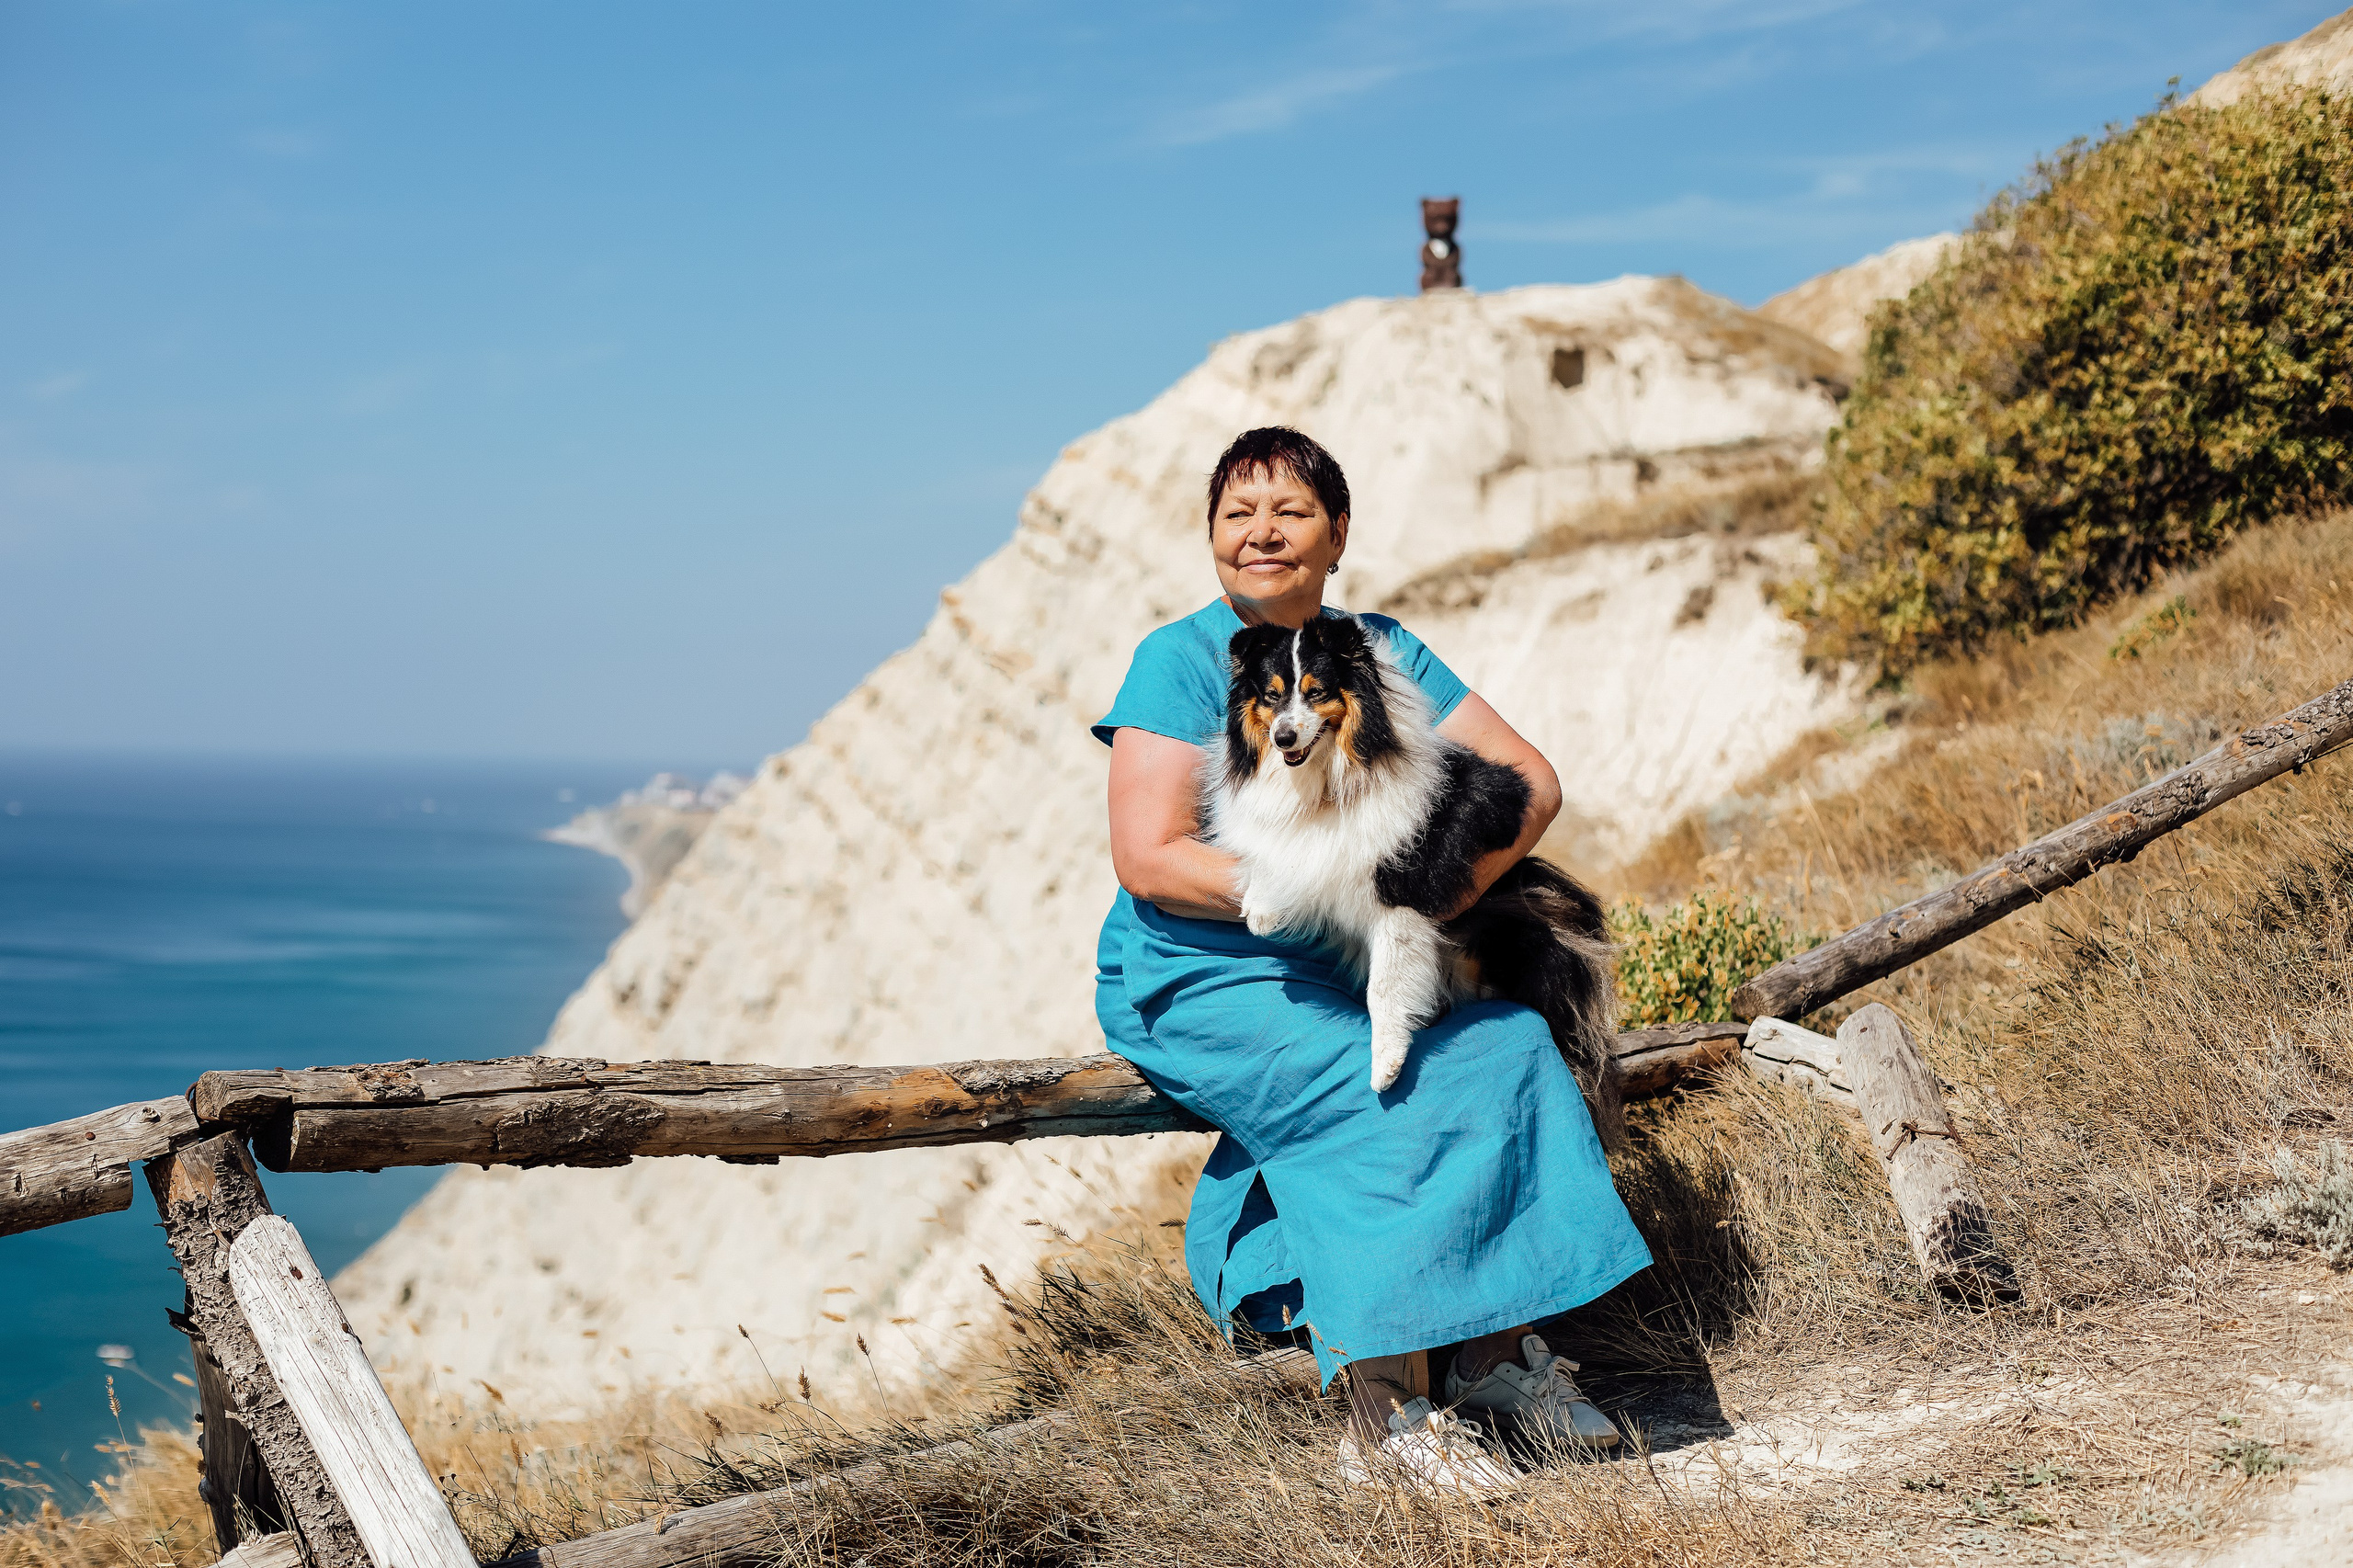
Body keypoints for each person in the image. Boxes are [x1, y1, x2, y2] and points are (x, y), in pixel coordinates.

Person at [1092, 426, 1653, 1494]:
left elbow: (1529, 779)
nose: (1260, 534)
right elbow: (1149, 857)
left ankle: (1494, 1362)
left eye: (1289, 512)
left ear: (1336, 533)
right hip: (1210, 967)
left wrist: (1415, 903)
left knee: (1506, 1047)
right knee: (1370, 1090)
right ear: (1210, 535)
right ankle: (1386, 1417)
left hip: (1356, 949)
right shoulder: (1179, 657)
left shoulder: (1381, 647)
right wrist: (1308, 898)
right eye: (1235, 515)